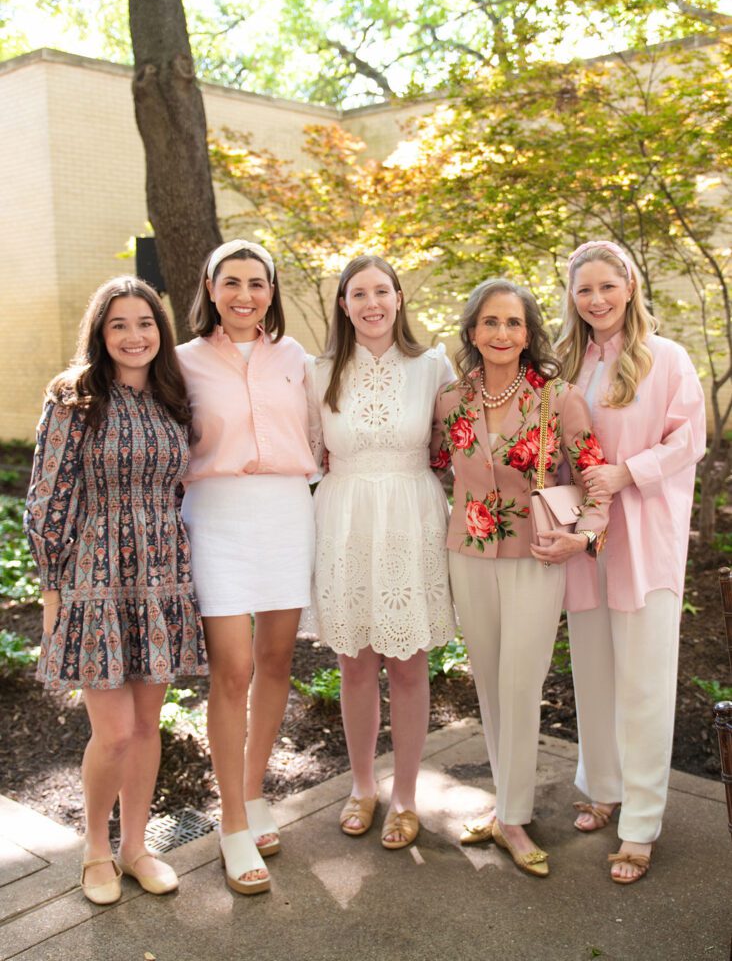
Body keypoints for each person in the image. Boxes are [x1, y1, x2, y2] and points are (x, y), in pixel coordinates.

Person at [25, 277, 207, 905]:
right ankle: (95, 850)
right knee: (116, 732)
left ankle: (136, 848)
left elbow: (183, 489)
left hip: (160, 575)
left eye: (146, 324)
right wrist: (54, 591)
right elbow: (47, 497)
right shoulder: (75, 398)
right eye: (119, 325)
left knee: (149, 725)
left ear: (161, 330)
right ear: (101, 335)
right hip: (95, 577)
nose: (135, 337)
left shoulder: (173, 398)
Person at [433, 278, 609, 877]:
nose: (502, 333)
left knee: (520, 682)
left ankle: (514, 815)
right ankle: (506, 803)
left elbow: (595, 478)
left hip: (538, 554)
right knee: (487, 679)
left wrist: (583, 535)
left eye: (514, 323)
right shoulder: (450, 398)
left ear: (531, 333)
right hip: (469, 551)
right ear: (472, 332)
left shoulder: (559, 397)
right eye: (490, 322)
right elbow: (437, 466)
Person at [556, 240, 706, 884]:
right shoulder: (568, 363)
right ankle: (603, 786)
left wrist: (627, 473)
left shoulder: (666, 359)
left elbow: (688, 439)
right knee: (592, 673)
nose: (596, 300)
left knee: (643, 683)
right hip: (583, 539)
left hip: (644, 535)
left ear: (630, 286)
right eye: (583, 290)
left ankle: (641, 824)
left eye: (606, 287)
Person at [176, 239, 316, 896]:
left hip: (288, 513)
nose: (244, 294)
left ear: (271, 290)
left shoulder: (296, 359)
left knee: (277, 662)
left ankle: (256, 791)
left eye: (257, 283)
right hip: (218, 519)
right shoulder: (180, 364)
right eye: (231, 282)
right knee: (232, 670)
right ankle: (232, 822)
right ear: (209, 287)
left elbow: (320, 436)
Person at [307, 255, 455, 849]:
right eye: (358, 293)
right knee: (355, 664)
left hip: (412, 517)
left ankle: (408, 795)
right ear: (343, 304)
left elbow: (454, 445)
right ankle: (363, 786)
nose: (371, 303)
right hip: (343, 520)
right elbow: (310, 452)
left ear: (398, 298)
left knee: (410, 664)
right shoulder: (317, 373)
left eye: (381, 291)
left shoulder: (432, 366)